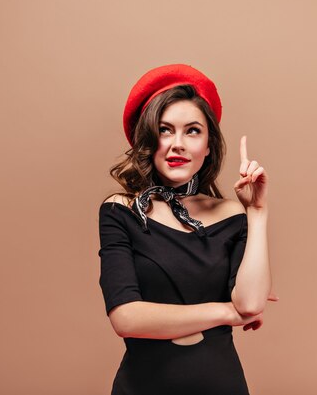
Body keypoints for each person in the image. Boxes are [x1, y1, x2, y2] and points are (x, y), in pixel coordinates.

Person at [97, 64, 277, 395]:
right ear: (148, 141)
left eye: (193, 131)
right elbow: (126, 318)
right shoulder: (121, 211)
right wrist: (224, 311)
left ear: (208, 145)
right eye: (165, 130)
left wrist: (257, 211)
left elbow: (250, 305)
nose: (178, 144)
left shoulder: (233, 215)